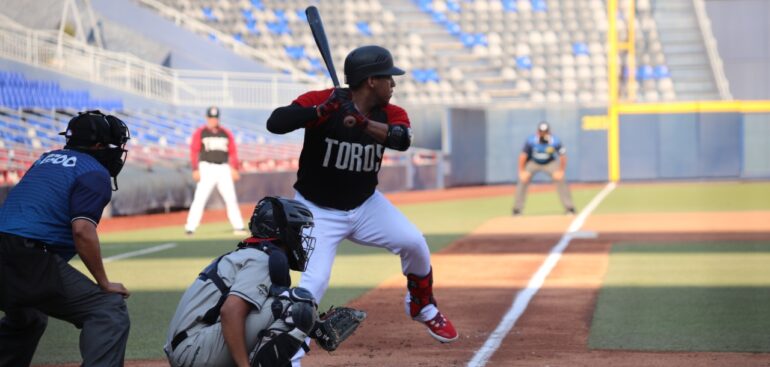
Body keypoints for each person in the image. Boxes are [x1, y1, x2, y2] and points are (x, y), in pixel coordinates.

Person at [266, 45, 458, 362]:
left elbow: (401, 139)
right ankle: (289, 356)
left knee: (414, 242)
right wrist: (319, 113)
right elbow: (276, 122)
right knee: (313, 284)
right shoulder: (322, 100)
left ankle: (422, 304)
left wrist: (363, 123)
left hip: (366, 205)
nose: (393, 85)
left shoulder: (390, 113)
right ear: (371, 81)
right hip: (317, 211)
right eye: (389, 78)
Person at [0, 110, 131, 366]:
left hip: (9, 250)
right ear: (97, 145)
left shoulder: (44, 160)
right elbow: (82, 230)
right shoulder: (94, 171)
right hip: (26, 257)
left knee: (28, 317)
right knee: (108, 310)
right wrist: (103, 282)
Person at [165, 196, 319, 367]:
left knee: (287, 306)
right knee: (297, 305)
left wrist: (315, 325)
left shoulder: (249, 254)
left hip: (190, 346)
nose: (300, 238)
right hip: (194, 350)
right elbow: (230, 311)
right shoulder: (260, 259)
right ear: (282, 231)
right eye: (297, 230)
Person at [185, 106, 247, 236]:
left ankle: (239, 226)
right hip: (206, 167)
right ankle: (190, 227)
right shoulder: (201, 132)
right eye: (211, 118)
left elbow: (233, 151)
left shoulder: (225, 132)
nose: (213, 120)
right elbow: (194, 151)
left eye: (215, 118)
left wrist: (234, 168)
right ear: (207, 118)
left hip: (223, 168)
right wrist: (195, 168)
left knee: (230, 198)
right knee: (200, 198)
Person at [512, 121, 576, 215]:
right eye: (541, 131)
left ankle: (569, 208)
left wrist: (561, 171)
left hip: (549, 162)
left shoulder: (555, 141)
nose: (543, 134)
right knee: (523, 180)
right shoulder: (531, 140)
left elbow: (563, 156)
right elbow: (523, 156)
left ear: (549, 132)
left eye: (545, 131)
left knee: (560, 179)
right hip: (533, 162)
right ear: (538, 132)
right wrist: (521, 171)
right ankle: (517, 209)